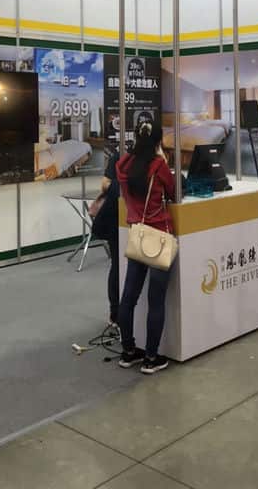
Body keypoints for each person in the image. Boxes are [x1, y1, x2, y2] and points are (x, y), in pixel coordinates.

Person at [116, 121, 176, 375]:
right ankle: (151, 357)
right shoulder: (159, 165)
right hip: (159, 236)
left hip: (137, 236)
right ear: (158, 141)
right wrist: (160, 155)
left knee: (128, 297)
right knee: (156, 300)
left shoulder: (123, 165)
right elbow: (173, 190)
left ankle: (128, 351)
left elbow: (126, 163)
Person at [91, 149, 120, 326]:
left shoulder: (156, 157)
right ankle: (115, 314)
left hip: (133, 219)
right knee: (117, 265)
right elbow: (105, 184)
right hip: (116, 219)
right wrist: (121, 185)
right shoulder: (120, 156)